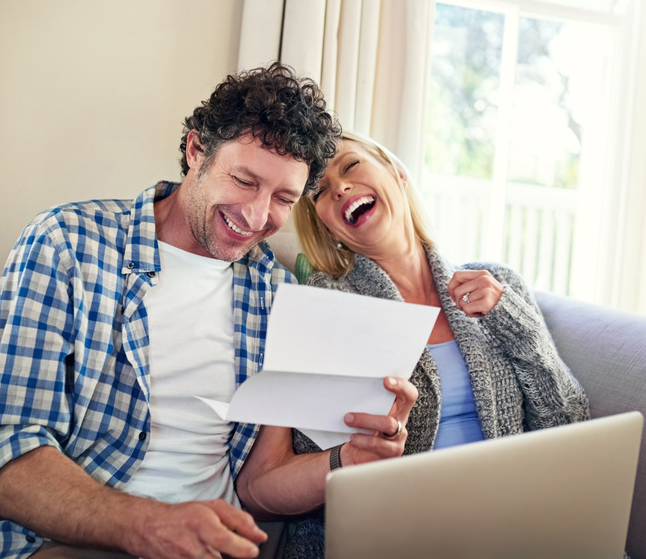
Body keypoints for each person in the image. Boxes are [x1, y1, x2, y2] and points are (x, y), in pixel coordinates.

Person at [0, 65, 416, 559]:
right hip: (55, 544)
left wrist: (346, 461)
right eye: (243, 180)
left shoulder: (276, 292)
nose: (257, 218)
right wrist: (149, 525)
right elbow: (7, 457)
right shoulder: (66, 244)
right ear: (197, 151)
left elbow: (258, 487)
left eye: (283, 199)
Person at [237, 131, 591, 558]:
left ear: (398, 172)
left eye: (350, 167)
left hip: (509, 527)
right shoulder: (325, 307)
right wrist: (355, 452)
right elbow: (279, 479)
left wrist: (513, 323)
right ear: (326, 224)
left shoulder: (499, 286)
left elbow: (570, 427)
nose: (341, 188)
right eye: (321, 191)